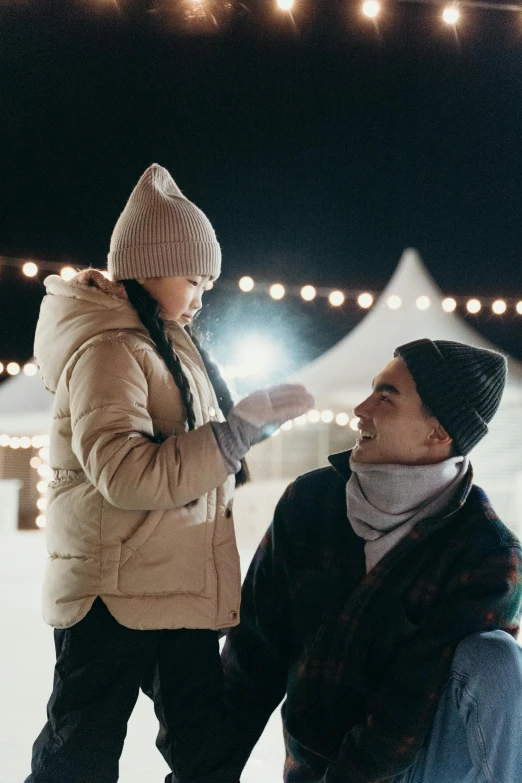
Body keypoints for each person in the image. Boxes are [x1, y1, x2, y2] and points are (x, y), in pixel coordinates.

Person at [25, 163, 313, 783]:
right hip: (112, 592)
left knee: (204, 750)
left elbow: (195, 472)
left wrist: (236, 433)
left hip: (174, 589)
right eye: (194, 277)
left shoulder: (168, 348)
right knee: (82, 747)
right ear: (149, 266)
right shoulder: (111, 351)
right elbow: (125, 473)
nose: (203, 293)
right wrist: (233, 435)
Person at [221, 338, 522, 783]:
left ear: (438, 433)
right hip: (319, 765)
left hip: (420, 766)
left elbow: (408, 708)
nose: (362, 409)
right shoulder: (311, 503)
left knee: (495, 659)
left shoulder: (486, 552)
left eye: (386, 397)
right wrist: (201, 772)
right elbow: (253, 657)